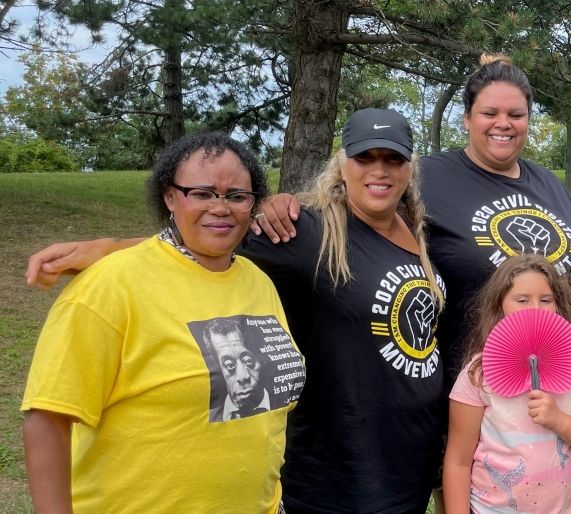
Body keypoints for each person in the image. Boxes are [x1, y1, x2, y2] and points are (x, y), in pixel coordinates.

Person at [24, 109, 446, 513]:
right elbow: (207, 233)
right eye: (365, 157)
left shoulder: (417, 231)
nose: (379, 169)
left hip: (398, 464)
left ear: (411, 167)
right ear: (342, 165)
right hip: (342, 474)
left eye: (393, 159)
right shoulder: (308, 232)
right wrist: (107, 248)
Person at [251, 54, 571, 385]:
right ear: (467, 118)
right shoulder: (429, 176)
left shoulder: (548, 183)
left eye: (516, 114)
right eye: (490, 113)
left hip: (551, 381)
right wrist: (285, 205)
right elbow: (363, 209)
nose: (503, 123)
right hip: (469, 390)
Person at [21, 133, 304, 512]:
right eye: (201, 193)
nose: (221, 208)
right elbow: (47, 421)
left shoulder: (257, 281)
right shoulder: (111, 284)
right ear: (170, 197)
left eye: (237, 196)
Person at [442, 254, 571, 514]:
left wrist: (559, 420)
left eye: (546, 300)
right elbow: (457, 462)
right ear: (499, 305)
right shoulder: (478, 375)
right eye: (522, 300)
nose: (535, 308)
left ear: (558, 305)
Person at [202, 318, 272, 421]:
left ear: (262, 360)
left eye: (248, 361)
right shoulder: (209, 419)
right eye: (229, 365)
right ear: (218, 368)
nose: (243, 377)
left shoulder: (287, 402)